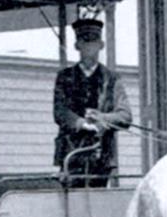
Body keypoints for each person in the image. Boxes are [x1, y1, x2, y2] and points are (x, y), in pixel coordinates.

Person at [53, 17, 132, 187]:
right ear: (77, 46)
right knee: (72, 207)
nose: (89, 47)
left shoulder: (112, 79)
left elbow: (125, 116)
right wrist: (81, 123)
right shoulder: (64, 77)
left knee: (99, 205)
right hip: (71, 156)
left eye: (93, 42)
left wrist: (102, 118)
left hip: (101, 157)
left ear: (101, 45)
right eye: (84, 42)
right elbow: (60, 112)